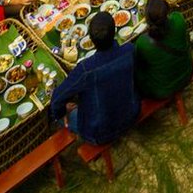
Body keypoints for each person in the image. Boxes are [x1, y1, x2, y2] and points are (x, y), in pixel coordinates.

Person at [51, 12, 140, 146]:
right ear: (115, 31)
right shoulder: (129, 50)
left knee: (57, 114)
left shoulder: (85, 70)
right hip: (132, 113)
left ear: (91, 41)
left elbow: (56, 99)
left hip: (100, 133)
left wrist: (63, 111)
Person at [134, 0, 193, 100]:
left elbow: (141, 69)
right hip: (187, 74)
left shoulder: (142, 43)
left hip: (162, 90)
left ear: (146, 19)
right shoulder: (178, 20)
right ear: (167, 12)